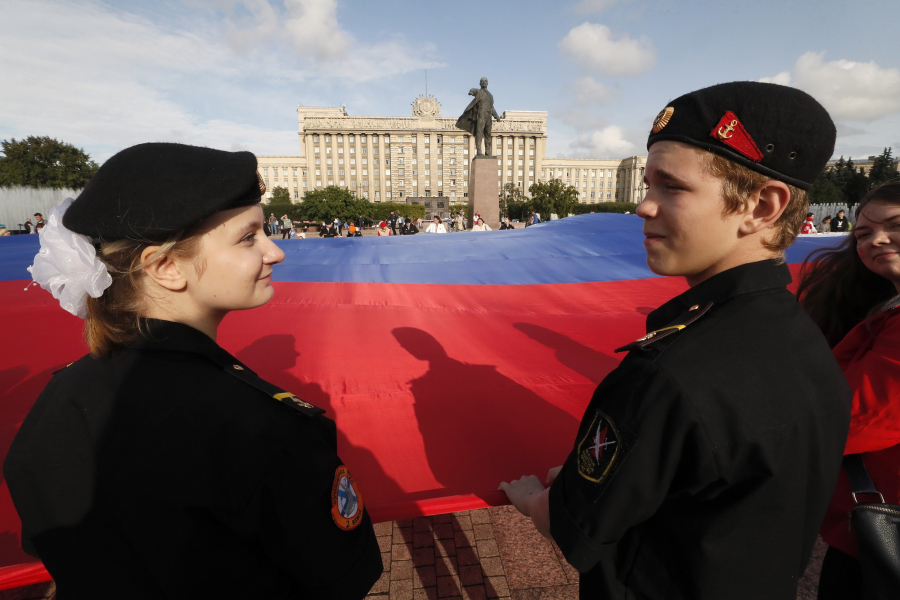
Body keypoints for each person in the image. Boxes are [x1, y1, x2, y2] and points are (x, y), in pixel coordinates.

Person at [499, 81, 851, 600]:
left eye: (672, 187)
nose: (644, 207)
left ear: (762, 206)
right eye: (647, 185)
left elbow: (576, 530)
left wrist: (533, 498)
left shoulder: (668, 373)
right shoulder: (806, 340)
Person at [3, 143, 383, 598]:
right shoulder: (261, 427)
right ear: (165, 267)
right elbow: (345, 571)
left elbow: (50, 544)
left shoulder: (59, 400)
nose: (275, 252)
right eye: (249, 237)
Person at [796, 181, 900, 599]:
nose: (875, 239)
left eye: (894, 224)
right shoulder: (881, 306)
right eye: (861, 233)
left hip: (884, 525)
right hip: (868, 524)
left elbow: (852, 418)